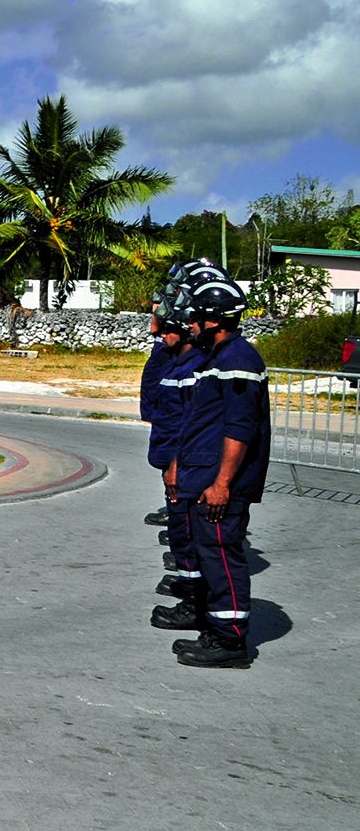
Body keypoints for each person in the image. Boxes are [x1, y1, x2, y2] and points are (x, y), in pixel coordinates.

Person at [156, 276, 270, 669]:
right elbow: (198, 424)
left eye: (196, 320)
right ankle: (213, 625)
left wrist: (222, 483)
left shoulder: (237, 361)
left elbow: (239, 429)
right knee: (208, 554)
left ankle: (229, 641)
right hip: (201, 476)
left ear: (214, 320)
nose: (190, 326)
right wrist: (178, 466)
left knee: (222, 556)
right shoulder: (218, 359)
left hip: (219, 484)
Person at [144, 288, 204, 607]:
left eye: (170, 328)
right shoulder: (177, 360)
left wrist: (177, 464)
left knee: (189, 532)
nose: (162, 332)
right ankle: (189, 585)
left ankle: (195, 599)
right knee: (182, 531)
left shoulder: (192, 366)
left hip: (184, 467)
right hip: (173, 462)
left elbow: (189, 424)